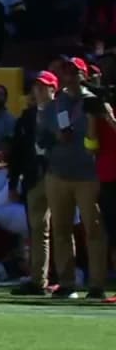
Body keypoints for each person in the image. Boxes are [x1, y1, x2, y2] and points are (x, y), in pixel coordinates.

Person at [37, 58, 108, 300]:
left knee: (94, 229)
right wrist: (56, 136)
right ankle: (67, 283)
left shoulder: (95, 102)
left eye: (75, 71)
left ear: (84, 74)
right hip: (58, 173)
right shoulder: (55, 105)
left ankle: (97, 284)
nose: (69, 75)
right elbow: (40, 139)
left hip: (89, 174)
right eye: (66, 70)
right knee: (61, 229)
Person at [9, 73, 53, 296]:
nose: (39, 91)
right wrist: (13, 181)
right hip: (34, 176)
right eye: (36, 87)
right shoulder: (26, 117)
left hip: (59, 175)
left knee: (62, 229)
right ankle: (39, 279)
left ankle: (67, 279)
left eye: (44, 87)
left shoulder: (60, 113)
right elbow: (17, 152)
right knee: (38, 229)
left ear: (53, 90)